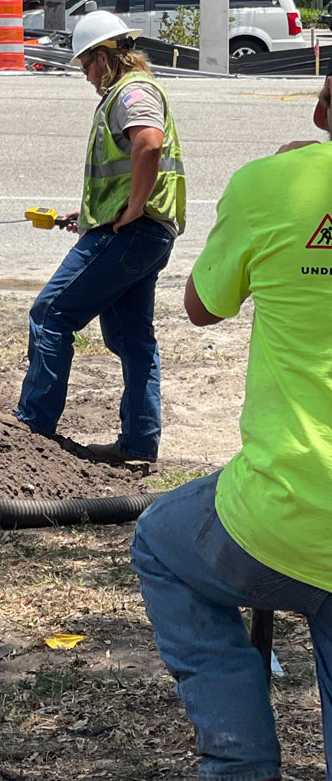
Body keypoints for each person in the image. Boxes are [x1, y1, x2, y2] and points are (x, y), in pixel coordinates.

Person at [131, 75, 332, 781]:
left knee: (160, 541)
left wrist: (286, 179)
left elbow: (200, 307)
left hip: (281, 517)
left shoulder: (275, 184)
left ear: (324, 101)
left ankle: (240, 764)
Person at [14, 10, 185, 463]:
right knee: (133, 339)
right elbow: (131, 160)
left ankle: (32, 431)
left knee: (51, 312)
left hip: (132, 232)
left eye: (87, 64)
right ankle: (139, 444)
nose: (86, 75)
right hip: (146, 234)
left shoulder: (131, 92)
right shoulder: (127, 92)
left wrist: (130, 208)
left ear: (105, 57)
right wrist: (94, 213)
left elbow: (148, 142)